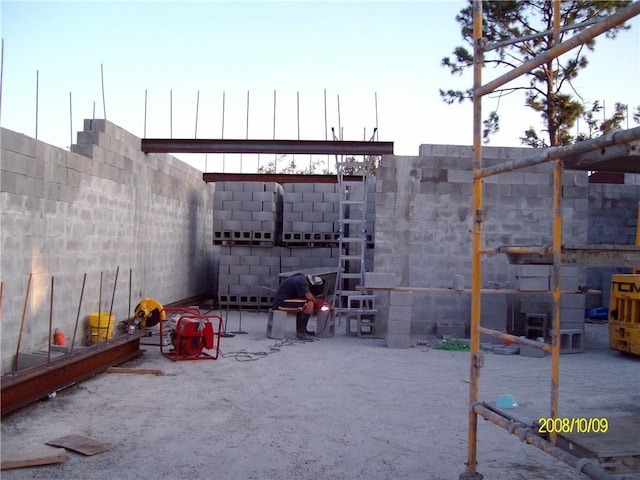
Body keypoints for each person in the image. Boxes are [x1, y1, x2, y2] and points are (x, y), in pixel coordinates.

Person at [272, 273, 327, 341]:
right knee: (309, 304)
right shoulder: (302, 282)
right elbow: (308, 296)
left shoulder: (300, 278)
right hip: (281, 303)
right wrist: (318, 303)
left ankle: (303, 330)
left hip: (282, 300)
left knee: (304, 303)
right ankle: (301, 332)